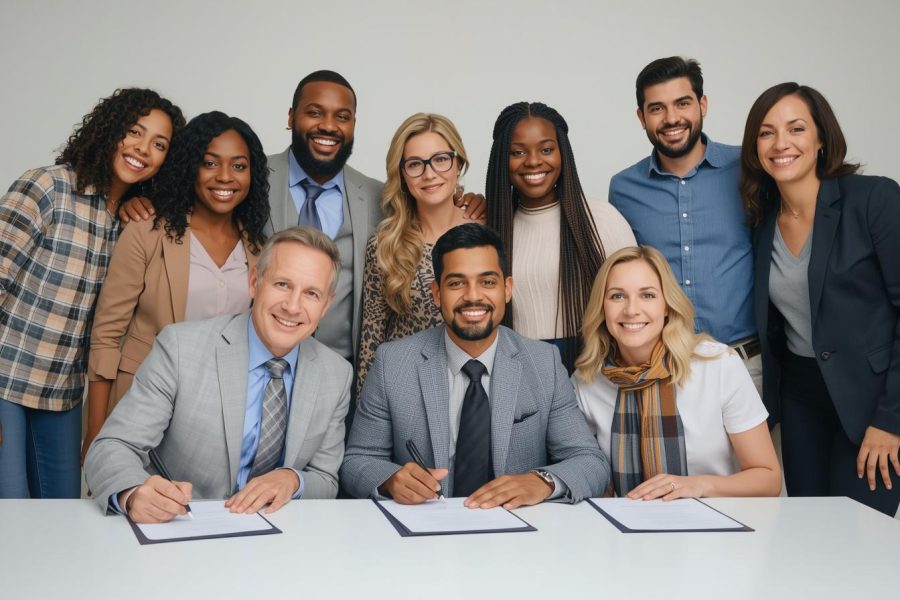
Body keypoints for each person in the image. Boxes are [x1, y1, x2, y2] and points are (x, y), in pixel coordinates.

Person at [84, 228, 352, 523]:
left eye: (311, 293)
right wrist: (134, 492)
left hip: (275, 544)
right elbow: (112, 446)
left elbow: (326, 479)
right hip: (178, 529)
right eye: (282, 284)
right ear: (254, 282)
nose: (292, 306)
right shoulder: (180, 348)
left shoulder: (336, 374)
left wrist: (292, 479)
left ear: (326, 305)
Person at [342, 223, 609, 507]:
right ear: (436, 293)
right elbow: (357, 461)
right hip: (425, 534)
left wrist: (541, 481)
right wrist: (391, 479)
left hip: (517, 536)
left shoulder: (544, 363)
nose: (472, 296)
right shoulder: (393, 363)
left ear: (507, 289)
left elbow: (590, 462)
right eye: (456, 283)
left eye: (487, 282)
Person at [0, 88, 184, 499]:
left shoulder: (134, 221)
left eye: (159, 144)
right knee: (10, 512)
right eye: (135, 132)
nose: (143, 149)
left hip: (63, 394)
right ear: (110, 130)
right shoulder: (47, 186)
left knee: (63, 512)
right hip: (5, 382)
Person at [740, 82, 900, 516]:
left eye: (796, 128)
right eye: (767, 132)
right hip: (800, 399)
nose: (781, 144)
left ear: (820, 138)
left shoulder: (874, 199)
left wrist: (890, 421)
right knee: (810, 534)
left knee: (862, 537)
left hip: (870, 400)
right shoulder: (762, 221)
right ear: (755, 147)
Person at [83, 111, 271, 462]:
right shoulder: (146, 232)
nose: (225, 177)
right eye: (209, 163)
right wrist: (96, 431)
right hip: (139, 402)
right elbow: (107, 336)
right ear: (189, 167)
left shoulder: (259, 249)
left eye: (239, 166)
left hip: (218, 417)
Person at [573, 246, 781, 499]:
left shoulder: (718, 365)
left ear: (668, 306)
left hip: (713, 525)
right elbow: (586, 475)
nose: (631, 310)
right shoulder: (587, 381)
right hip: (626, 529)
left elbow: (768, 478)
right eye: (617, 296)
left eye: (647, 295)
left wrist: (701, 486)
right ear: (602, 308)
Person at [608, 57, 761, 391]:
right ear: (641, 117)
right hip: (666, 368)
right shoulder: (623, 188)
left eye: (682, 103)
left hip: (747, 364)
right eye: (657, 108)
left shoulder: (747, 168)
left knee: (762, 447)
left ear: (702, 104)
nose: (672, 118)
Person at [486, 102, 634, 374]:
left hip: (595, 368)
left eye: (546, 149)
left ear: (562, 153)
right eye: (517, 152)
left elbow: (635, 301)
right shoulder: (491, 228)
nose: (533, 161)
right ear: (501, 160)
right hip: (519, 369)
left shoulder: (601, 219)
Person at [357, 113, 477, 395]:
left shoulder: (487, 233)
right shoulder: (386, 245)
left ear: (457, 163)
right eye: (415, 164)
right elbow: (371, 339)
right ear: (401, 175)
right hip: (406, 390)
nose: (429, 174)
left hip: (475, 388)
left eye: (440, 159)